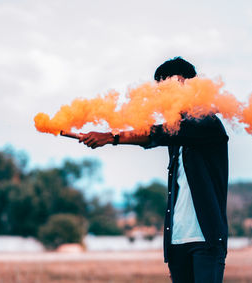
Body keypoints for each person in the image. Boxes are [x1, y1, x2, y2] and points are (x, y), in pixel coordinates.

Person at [79, 57, 229, 283]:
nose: (163, 97)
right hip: (177, 242)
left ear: (189, 87)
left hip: (206, 240)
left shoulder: (207, 123)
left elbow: (155, 134)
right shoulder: (177, 133)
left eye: (169, 88)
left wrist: (112, 137)